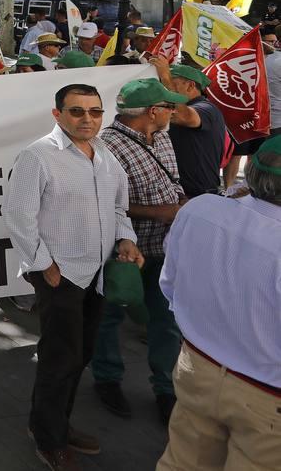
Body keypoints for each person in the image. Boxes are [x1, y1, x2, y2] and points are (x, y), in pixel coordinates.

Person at [3, 82, 142, 469]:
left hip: (96, 275)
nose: (87, 119)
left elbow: (119, 210)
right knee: (59, 358)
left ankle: (52, 423)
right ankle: (49, 438)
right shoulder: (38, 156)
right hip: (60, 275)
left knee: (80, 355)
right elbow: (18, 216)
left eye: (95, 112)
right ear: (57, 114)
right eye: (77, 111)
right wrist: (45, 266)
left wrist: (126, 241)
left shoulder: (106, 157)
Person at [155, 135, 281, 471]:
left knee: (181, 463)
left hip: (197, 366)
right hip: (266, 397)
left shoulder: (200, 210)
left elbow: (169, 284)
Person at [91, 79, 188, 425]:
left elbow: (172, 182)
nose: (174, 112)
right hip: (121, 251)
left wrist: (182, 206)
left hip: (164, 248)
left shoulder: (161, 136)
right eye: (170, 107)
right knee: (109, 316)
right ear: (153, 111)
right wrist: (163, 212)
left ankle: (166, 388)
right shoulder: (105, 146)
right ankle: (107, 379)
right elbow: (102, 204)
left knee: (167, 321)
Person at [150, 59, 226, 199]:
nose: (164, 87)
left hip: (199, 195)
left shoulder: (207, 109)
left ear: (191, 85)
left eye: (173, 82)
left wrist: (166, 78)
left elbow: (182, 116)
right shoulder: (170, 106)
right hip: (179, 193)